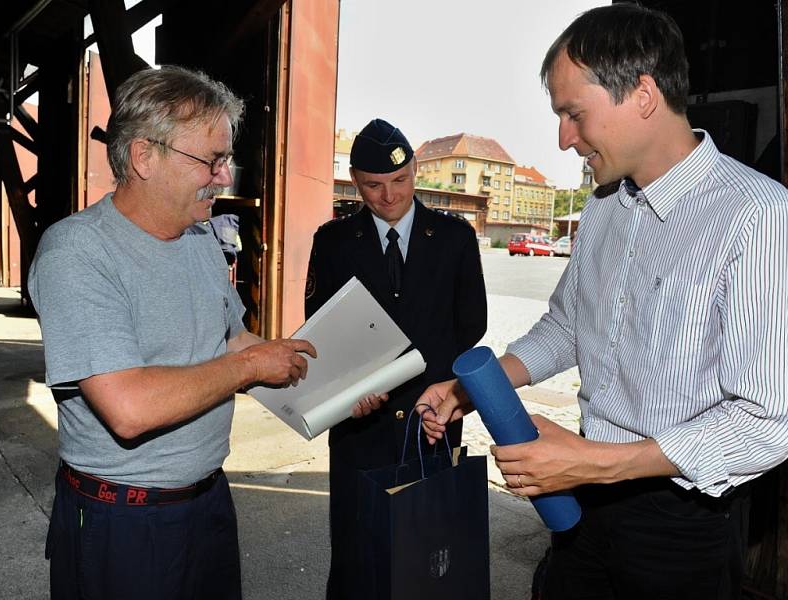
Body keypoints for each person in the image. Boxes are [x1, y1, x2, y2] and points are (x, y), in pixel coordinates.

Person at [419, 4, 788, 599]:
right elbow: (569, 324)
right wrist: (481, 386)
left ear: (643, 94)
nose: (564, 138)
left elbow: (770, 420)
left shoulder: (757, 218)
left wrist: (592, 463)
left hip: (678, 523)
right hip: (584, 504)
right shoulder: (603, 208)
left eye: (573, 113)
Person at [29, 66, 316, 600]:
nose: (225, 176)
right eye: (211, 160)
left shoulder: (200, 236)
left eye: (226, 159)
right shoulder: (77, 254)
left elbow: (230, 339)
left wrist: (332, 383)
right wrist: (251, 367)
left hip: (208, 502)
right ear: (143, 156)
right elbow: (128, 407)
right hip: (124, 521)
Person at [305, 117, 487, 599]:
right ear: (356, 183)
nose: (389, 196)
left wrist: (445, 387)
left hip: (431, 419)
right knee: (357, 556)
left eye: (399, 180)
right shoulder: (333, 242)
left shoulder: (454, 237)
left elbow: (472, 325)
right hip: (360, 427)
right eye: (373, 186)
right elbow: (323, 331)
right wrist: (349, 390)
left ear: (414, 171)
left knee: (429, 557)